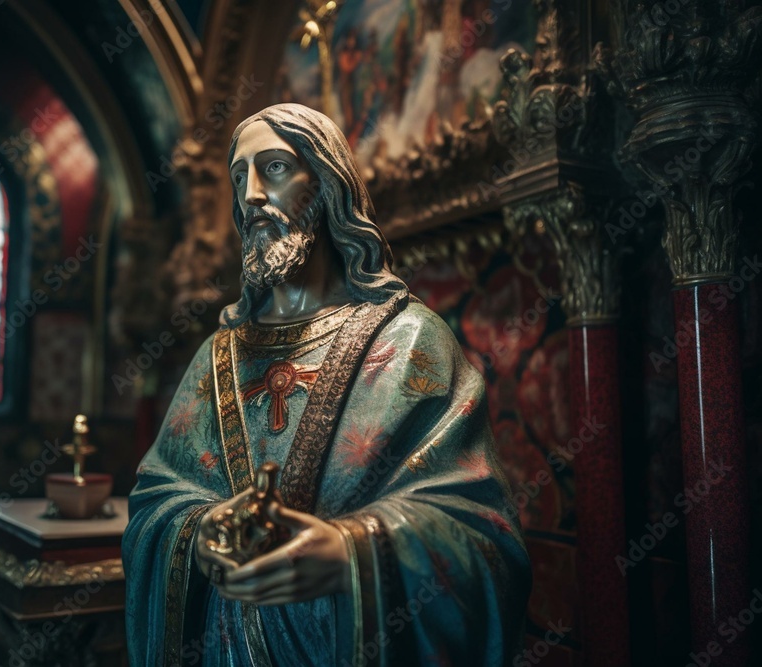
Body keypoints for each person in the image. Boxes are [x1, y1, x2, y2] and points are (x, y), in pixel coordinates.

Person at [122, 103, 530, 666]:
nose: (251, 196)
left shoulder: (412, 341)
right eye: (240, 176)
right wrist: (199, 531)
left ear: (327, 185)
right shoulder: (217, 355)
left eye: (276, 169)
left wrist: (350, 554)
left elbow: (484, 539)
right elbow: (153, 502)